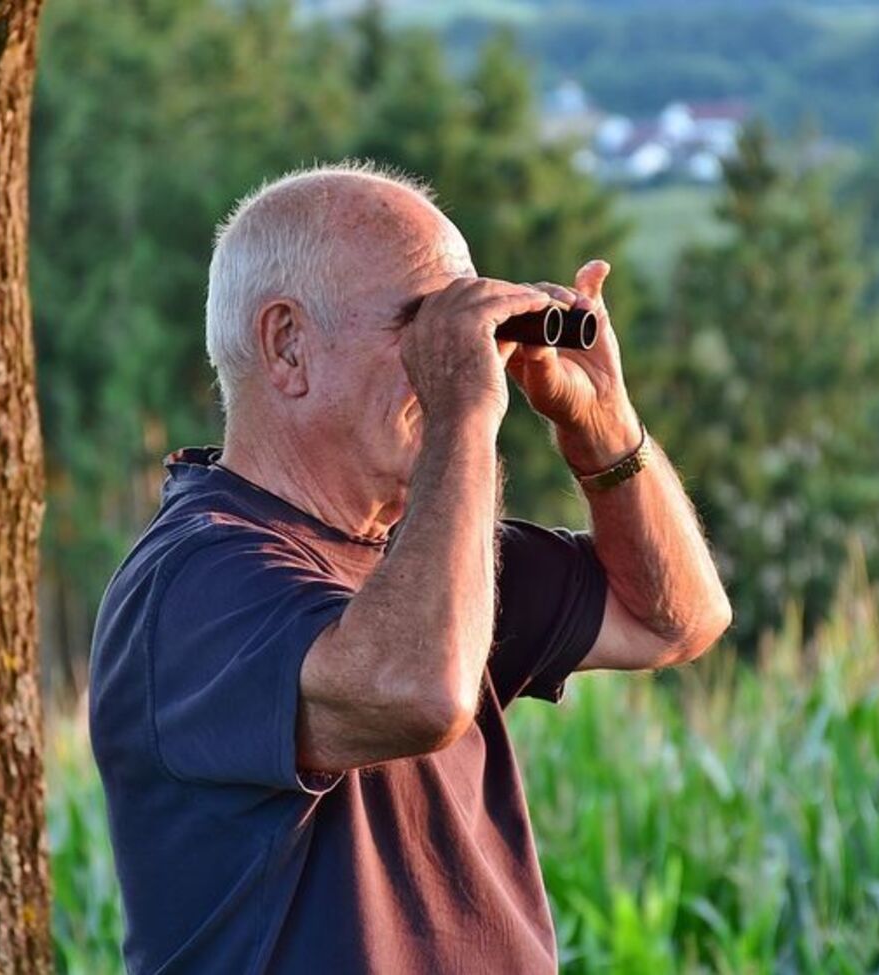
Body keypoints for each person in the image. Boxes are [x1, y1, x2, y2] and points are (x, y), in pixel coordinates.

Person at [88, 161, 732, 974]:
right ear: (287, 345)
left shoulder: (425, 556)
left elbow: (674, 619)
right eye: (424, 325)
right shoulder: (192, 581)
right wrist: (464, 408)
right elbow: (420, 692)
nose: (460, 357)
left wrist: (602, 426)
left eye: (464, 329)